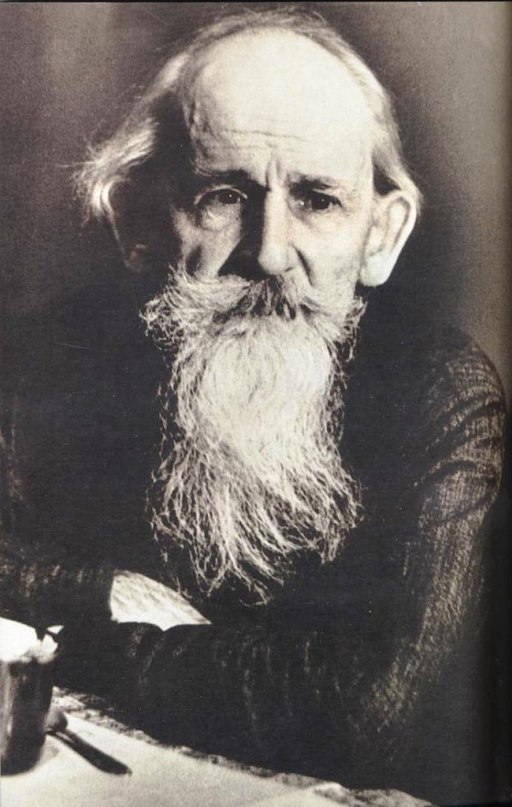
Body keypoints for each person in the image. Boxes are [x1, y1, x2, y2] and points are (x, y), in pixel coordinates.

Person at [0, 8, 507, 803]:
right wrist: (89, 585)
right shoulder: (55, 355)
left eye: (318, 200)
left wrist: (100, 644)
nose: (269, 252)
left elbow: (372, 712)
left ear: (382, 235)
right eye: (223, 195)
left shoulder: (441, 395)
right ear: (138, 219)